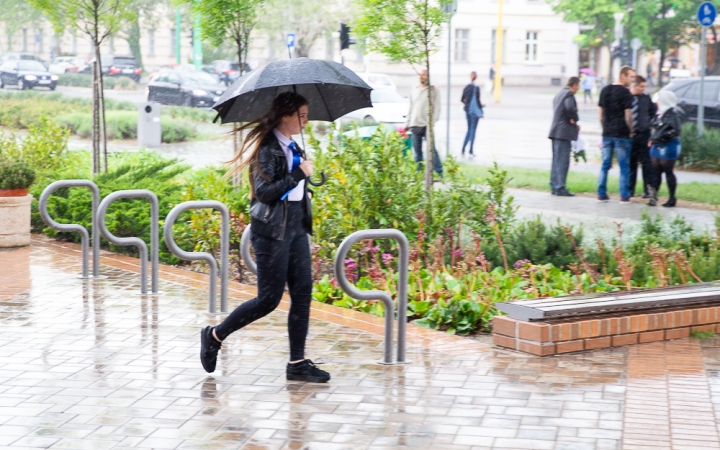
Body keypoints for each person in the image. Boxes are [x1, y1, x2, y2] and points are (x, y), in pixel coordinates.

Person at [199, 92, 331, 383]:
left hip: (295, 227)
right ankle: (215, 335)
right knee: (268, 300)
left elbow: (288, 188)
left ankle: (297, 363)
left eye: (307, 116)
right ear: (286, 115)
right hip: (271, 232)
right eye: (302, 115)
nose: (306, 121)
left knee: (303, 294)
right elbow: (265, 193)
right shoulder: (268, 148)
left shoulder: (293, 146)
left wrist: (303, 190)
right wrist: (297, 175)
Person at [597, 66, 636, 203]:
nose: (633, 80)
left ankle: (601, 193)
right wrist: (631, 130)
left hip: (607, 133)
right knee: (624, 166)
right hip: (622, 135)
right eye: (631, 77)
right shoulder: (626, 93)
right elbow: (628, 116)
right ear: (623, 76)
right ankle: (624, 195)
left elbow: (600, 114)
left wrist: (605, 128)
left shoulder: (605, 90)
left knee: (605, 164)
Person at [647, 90, 684, 207]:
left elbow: (676, 130)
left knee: (668, 171)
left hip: (668, 145)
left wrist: (662, 137)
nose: (656, 103)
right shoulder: (660, 114)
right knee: (656, 172)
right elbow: (655, 126)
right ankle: (654, 198)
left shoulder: (672, 113)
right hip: (657, 145)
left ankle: (672, 198)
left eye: (658, 100)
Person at [405, 69, 443, 177]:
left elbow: (437, 107)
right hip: (415, 123)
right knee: (417, 152)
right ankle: (418, 173)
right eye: (421, 75)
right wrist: (407, 123)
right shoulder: (414, 89)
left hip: (427, 125)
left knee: (432, 150)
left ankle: (439, 172)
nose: (422, 76)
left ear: (428, 76)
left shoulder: (433, 90)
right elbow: (411, 107)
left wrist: (433, 121)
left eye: (425, 75)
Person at [548, 77, 580, 197]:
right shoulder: (568, 95)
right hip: (564, 132)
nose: (578, 88)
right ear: (574, 85)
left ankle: (554, 185)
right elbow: (570, 108)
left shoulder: (559, 94)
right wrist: (574, 119)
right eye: (578, 86)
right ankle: (560, 187)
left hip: (555, 131)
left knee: (556, 160)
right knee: (562, 160)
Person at [629, 75, 657, 198]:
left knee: (647, 164)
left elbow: (653, 113)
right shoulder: (627, 98)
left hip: (643, 135)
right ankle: (630, 189)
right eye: (641, 86)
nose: (643, 89)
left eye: (644, 87)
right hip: (630, 135)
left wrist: (648, 124)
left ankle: (647, 189)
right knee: (631, 164)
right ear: (634, 85)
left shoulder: (646, 98)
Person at [461, 71, 483, 157]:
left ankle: (463, 149)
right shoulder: (476, 88)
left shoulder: (466, 87)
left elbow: (462, 99)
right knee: (473, 131)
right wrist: (481, 111)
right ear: (476, 77)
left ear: (470, 77)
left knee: (469, 129)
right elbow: (478, 101)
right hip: (475, 112)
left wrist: (467, 105)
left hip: (467, 111)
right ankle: (470, 150)